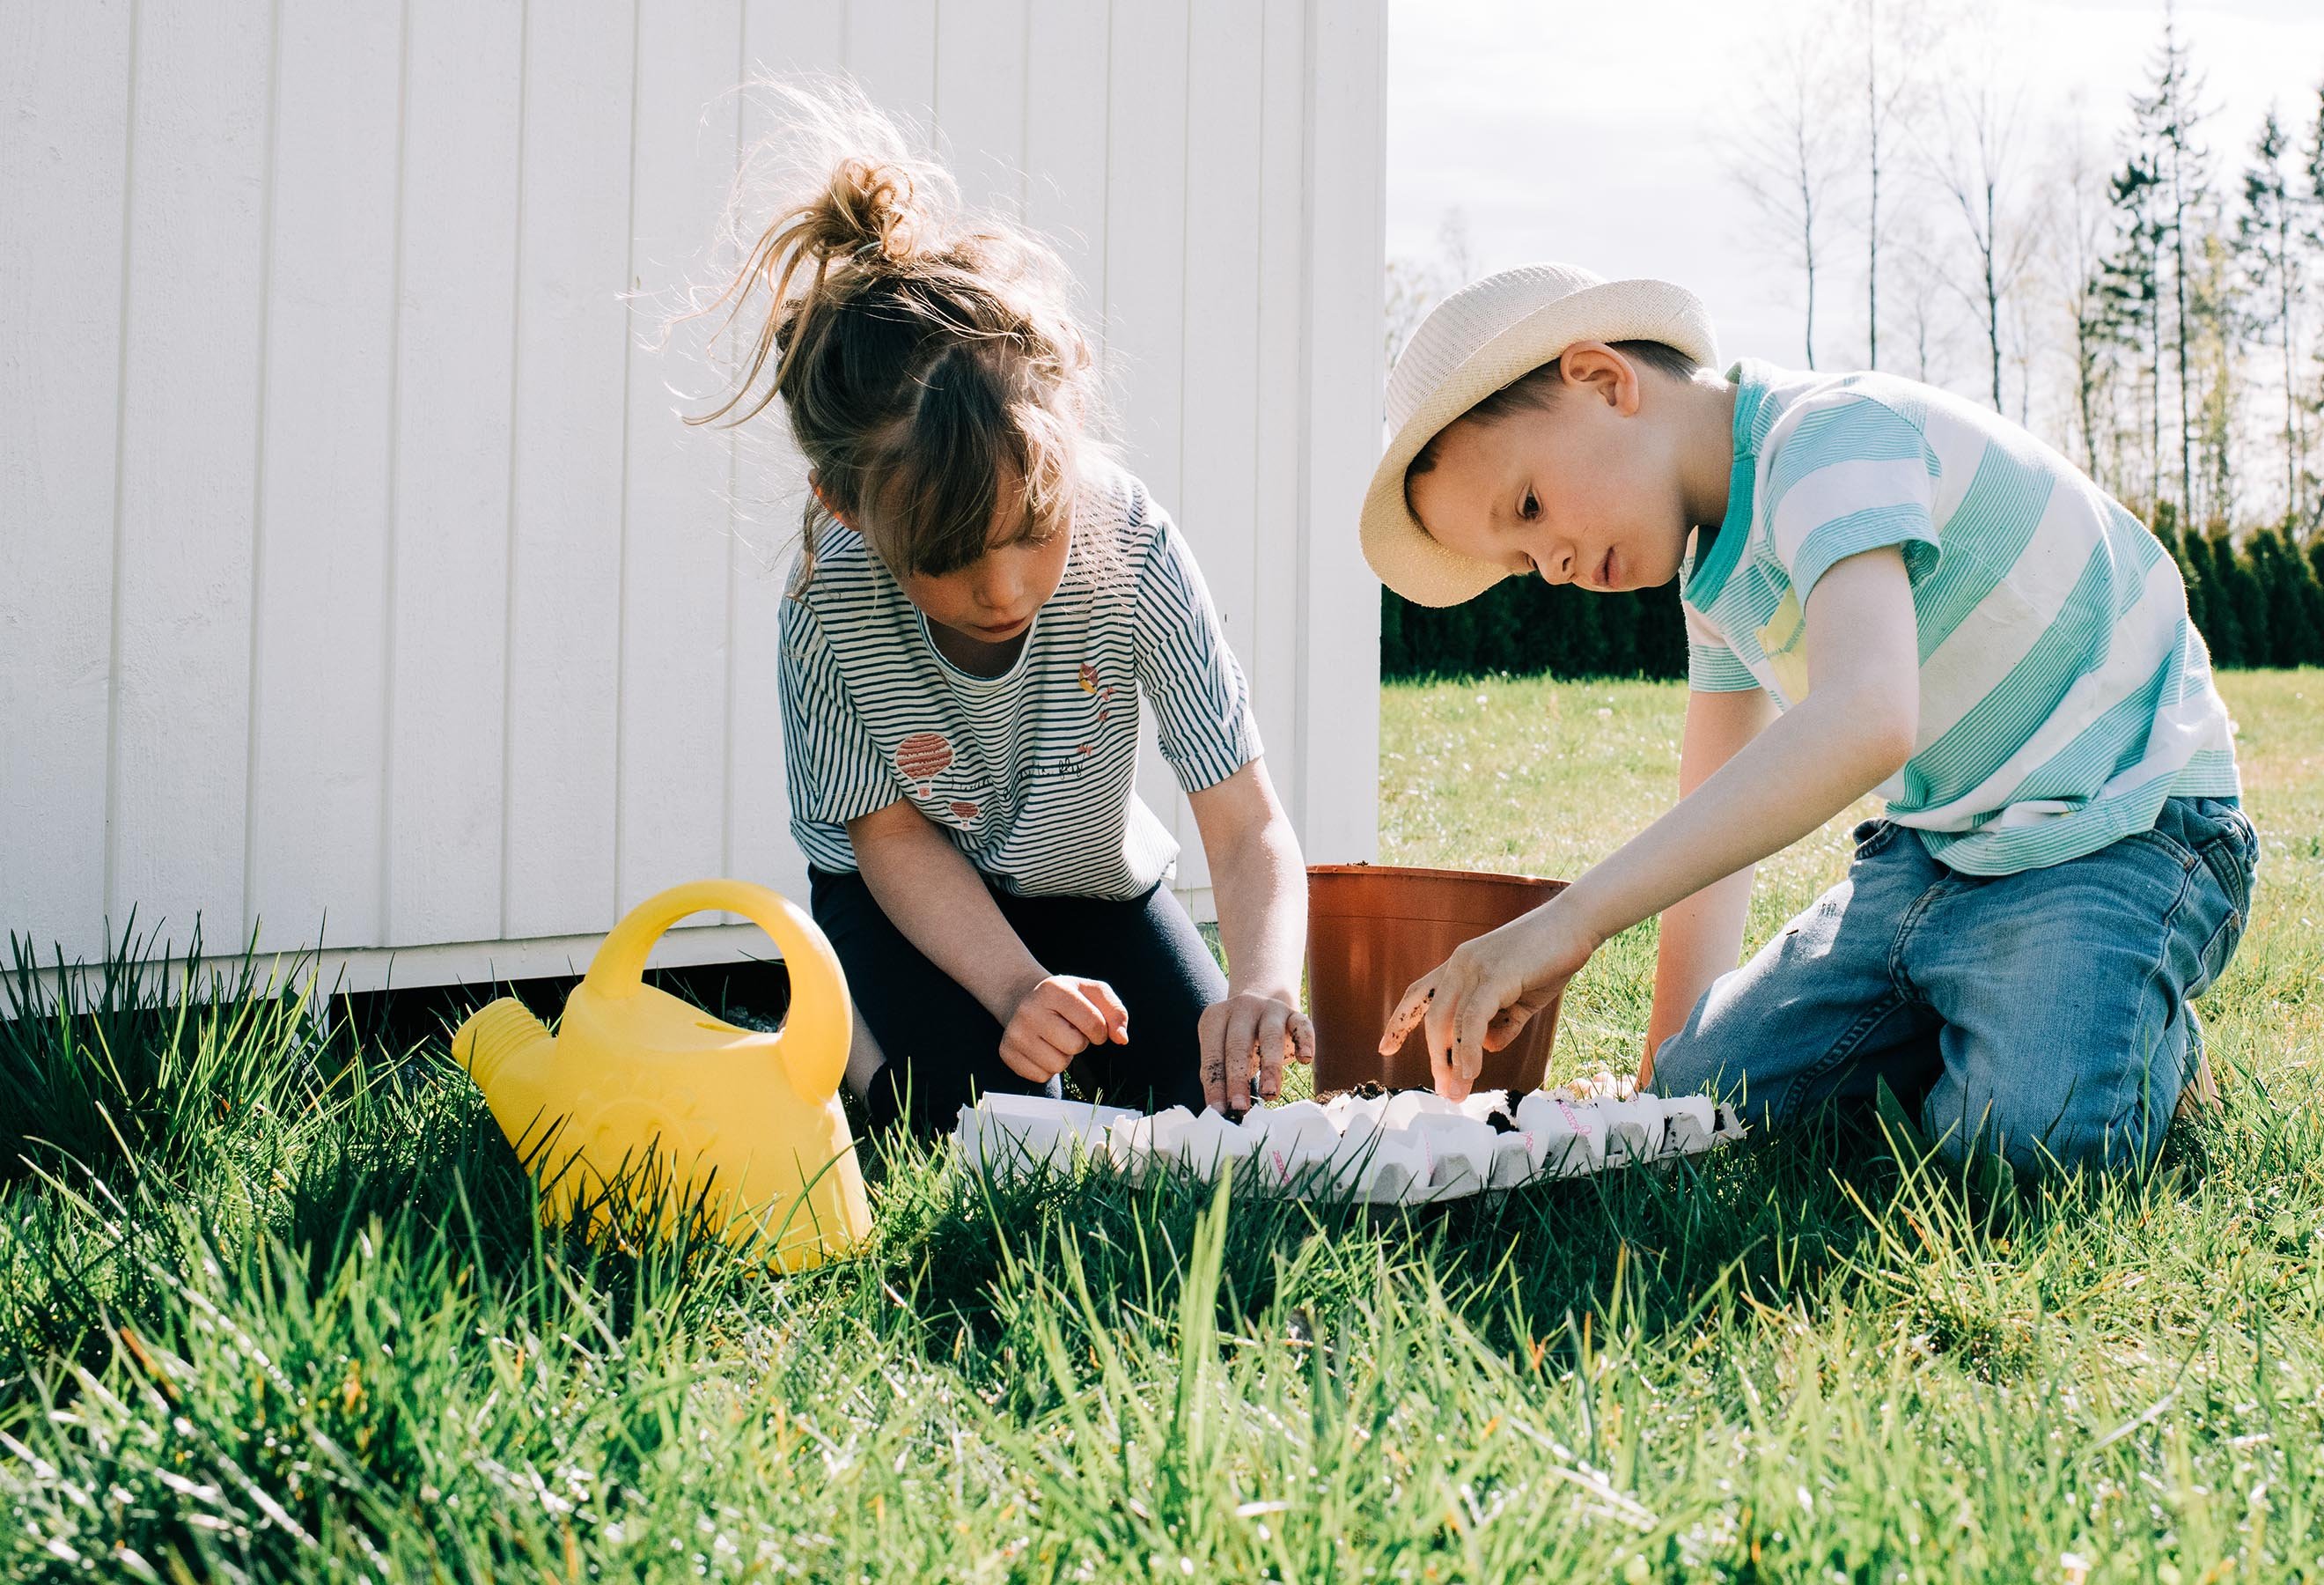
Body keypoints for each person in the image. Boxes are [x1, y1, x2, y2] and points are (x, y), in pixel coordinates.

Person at [1364, 262, 2254, 1176]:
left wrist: (1575, 918)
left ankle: (2138, 1023)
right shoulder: (1712, 577)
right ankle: (1993, 1005)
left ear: (1603, 381)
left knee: (2022, 1146)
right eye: (1521, 559)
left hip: (2120, 829)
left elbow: (1866, 719)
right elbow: (1714, 821)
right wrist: (1657, 1096)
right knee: (1709, 1102)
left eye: (1530, 506)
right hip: (1937, 854)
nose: (1547, 563)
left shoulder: (1829, 437)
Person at [691, 88, 1312, 1136]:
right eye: (947, 559)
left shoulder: (1133, 546)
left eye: (1033, 532)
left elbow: (1248, 826)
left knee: (1215, 1110)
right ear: (846, 507)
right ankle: (858, 1044)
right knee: (972, 1121)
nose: (1005, 589)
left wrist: (1261, 986)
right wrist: (1017, 986)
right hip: (906, 907)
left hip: (1087, 884)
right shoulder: (829, 597)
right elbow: (888, 839)